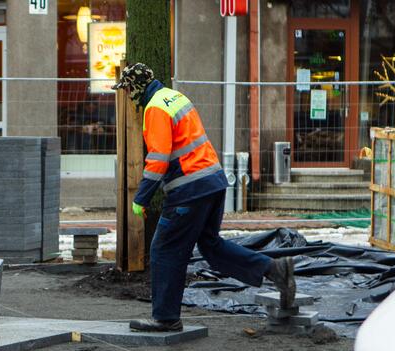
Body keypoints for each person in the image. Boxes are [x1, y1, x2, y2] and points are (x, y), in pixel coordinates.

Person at [112, 63, 296, 332]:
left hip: (189, 190)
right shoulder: (175, 98)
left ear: (136, 87)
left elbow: (158, 158)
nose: (127, 97)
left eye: (127, 90)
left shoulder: (155, 108)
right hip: (213, 182)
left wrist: (141, 198)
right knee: (211, 246)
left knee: (164, 249)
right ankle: (274, 269)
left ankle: (165, 318)